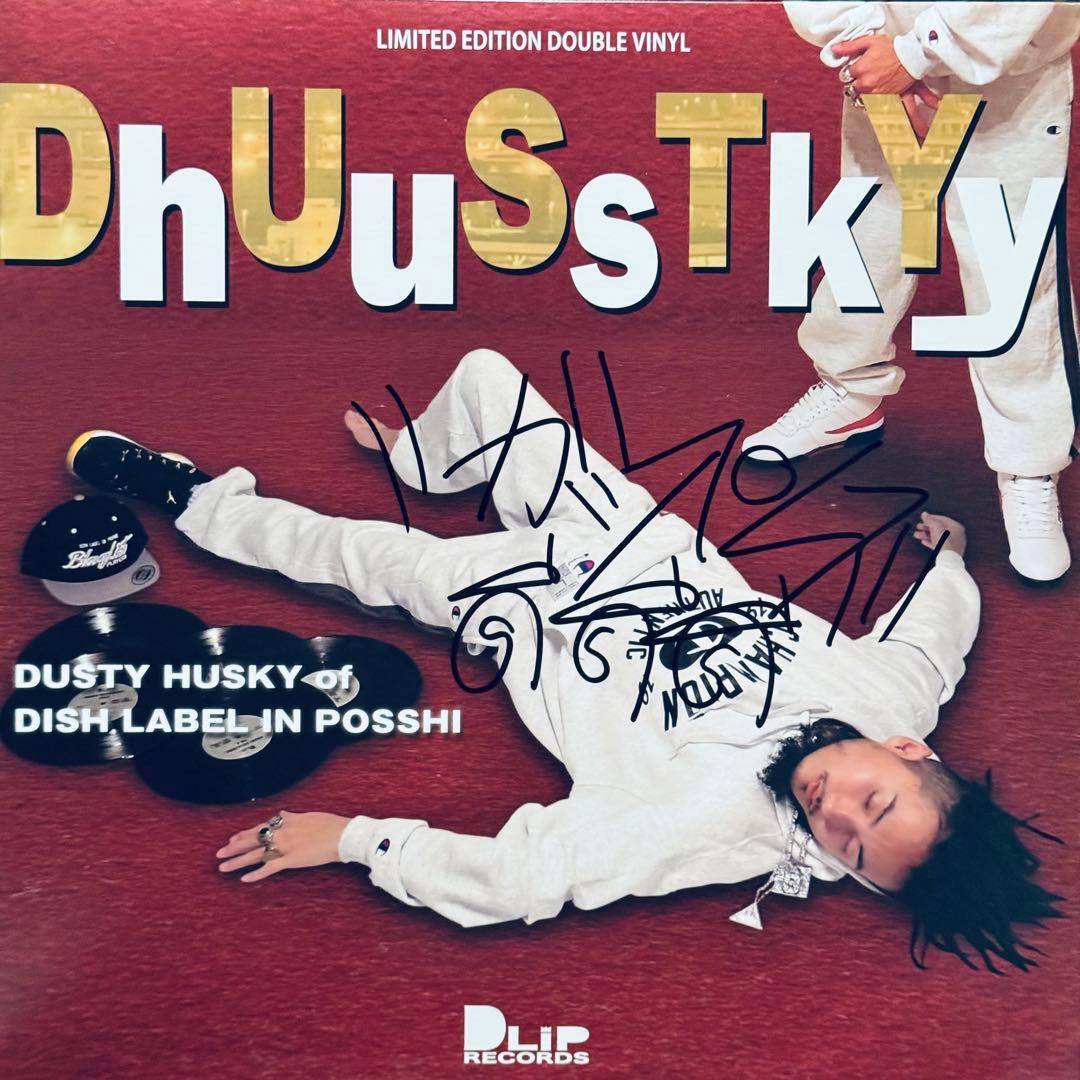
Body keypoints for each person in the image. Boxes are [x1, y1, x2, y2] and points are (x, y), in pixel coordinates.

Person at [66, 349, 1062, 971]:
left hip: (529, 611)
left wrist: (357, 840)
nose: (833, 813)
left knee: (370, 558)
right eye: (873, 803)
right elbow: (938, 634)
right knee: (488, 381)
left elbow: (524, 878)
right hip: (637, 546)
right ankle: (424, 457)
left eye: (849, 848)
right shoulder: (894, 691)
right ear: (907, 750)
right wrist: (952, 559)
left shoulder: (710, 823)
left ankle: (200, 501)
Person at [744, 3, 1080, 584]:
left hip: (1010, 57)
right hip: (880, 49)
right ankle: (851, 391)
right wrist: (866, 44)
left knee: (1013, 267)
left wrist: (919, 52)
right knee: (869, 233)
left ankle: (1029, 462)